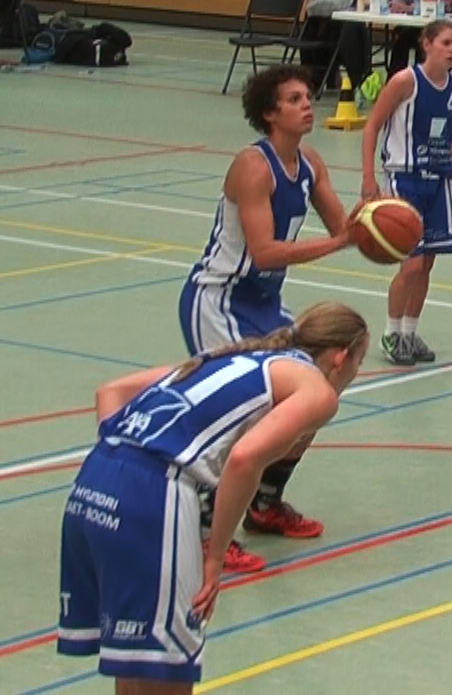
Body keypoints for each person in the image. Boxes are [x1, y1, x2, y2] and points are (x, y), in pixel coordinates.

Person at [58, 303, 368, 691]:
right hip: (155, 492)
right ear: (341, 358)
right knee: (167, 674)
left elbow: (112, 391)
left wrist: (119, 466)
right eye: (359, 363)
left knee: (138, 667)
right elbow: (244, 459)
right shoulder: (317, 390)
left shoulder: (239, 359)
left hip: (92, 481)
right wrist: (216, 554)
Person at [179, 64, 354, 572]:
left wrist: (380, 223)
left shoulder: (311, 163)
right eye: (295, 98)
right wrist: (339, 242)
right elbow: (263, 252)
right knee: (248, 410)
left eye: (309, 95)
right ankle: (210, 525)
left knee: (320, 389)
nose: (308, 104)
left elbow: (344, 228)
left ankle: (265, 502)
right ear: (269, 113)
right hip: (220, 299)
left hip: (262, 304)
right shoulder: (252, 167)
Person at [362, 20, 452, 367]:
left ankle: (409, 331)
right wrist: (367, 177)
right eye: (446, 42)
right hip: (404, 177)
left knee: (428, 263)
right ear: (427, 44)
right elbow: (373, 124)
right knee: (412, 263)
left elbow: (451, 132)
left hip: (439, 179)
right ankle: (391, 332)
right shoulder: (406, 81)